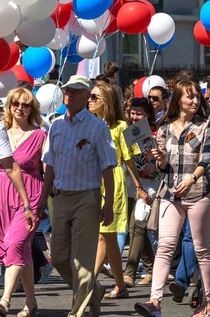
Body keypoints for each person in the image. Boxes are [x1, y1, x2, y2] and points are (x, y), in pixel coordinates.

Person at [134, 79, 210, 317]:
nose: (194, 101)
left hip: (198, 192)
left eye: (197, 97)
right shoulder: (165, 127)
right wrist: (159, 157)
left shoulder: (205, 126)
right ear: (178, 99)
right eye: (189, 96)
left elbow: (206, 160)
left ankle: (209, 304)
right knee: (165, 246)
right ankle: (155, 302)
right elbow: (161, 166)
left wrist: (191, 179)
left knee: (201, 248)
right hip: (170, 193)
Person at [37, 75, 117, 317]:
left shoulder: (97, 127)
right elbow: (49, 166)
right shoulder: (57, 126)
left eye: (75, 91)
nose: (69, 95)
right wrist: (42, 201)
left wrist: (109, 203)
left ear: (86, 96)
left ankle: (77, 312)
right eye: (67, 91)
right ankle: (93, 290)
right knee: (59, 259)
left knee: (82, 261)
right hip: (60, 198)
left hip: (87, 198)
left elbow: (108, 167)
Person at [168, 71, 210, 304]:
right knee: (188, 235)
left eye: (195, 93)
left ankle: (184, 281)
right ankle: (187, 281)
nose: (193, 100)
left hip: (209, 178)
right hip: (181, 180)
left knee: (194, 235)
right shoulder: (174, 119)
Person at [88, 81, 143, 299]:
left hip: (113, 181)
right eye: (90, 97)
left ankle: (88, 283)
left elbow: (130, 159)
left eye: (95, 97)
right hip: (92, 181)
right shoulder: (88, 124)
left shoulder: (121, 126)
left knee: (104, 234)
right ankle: (120, 285)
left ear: (107, 102)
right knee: (109, 238)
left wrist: (138, 186)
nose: (90, 101)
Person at [0, 89, 42, 317]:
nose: (20, 108)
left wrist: (45, 200)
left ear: (31, 108)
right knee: (21, 249)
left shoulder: (39, 135)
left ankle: (5, 300)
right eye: (15, 103)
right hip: (2, 197)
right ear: (9, 105)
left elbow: (49, 167)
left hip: (30, 196)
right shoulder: (1, 131)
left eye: (25, 105)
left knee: (14, 244)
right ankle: (31, 302)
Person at [123, 98, 158, 288]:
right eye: (133, 113)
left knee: (137, 226)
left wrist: (154, 163)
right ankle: (152, 269)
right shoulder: (126, 133)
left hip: (149, 185)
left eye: (139, 113)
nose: (135, 117)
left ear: (148, 115)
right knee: (139, 230)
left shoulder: (155, 135)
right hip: (130, 184)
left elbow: (161, 163)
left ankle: (129, 273)